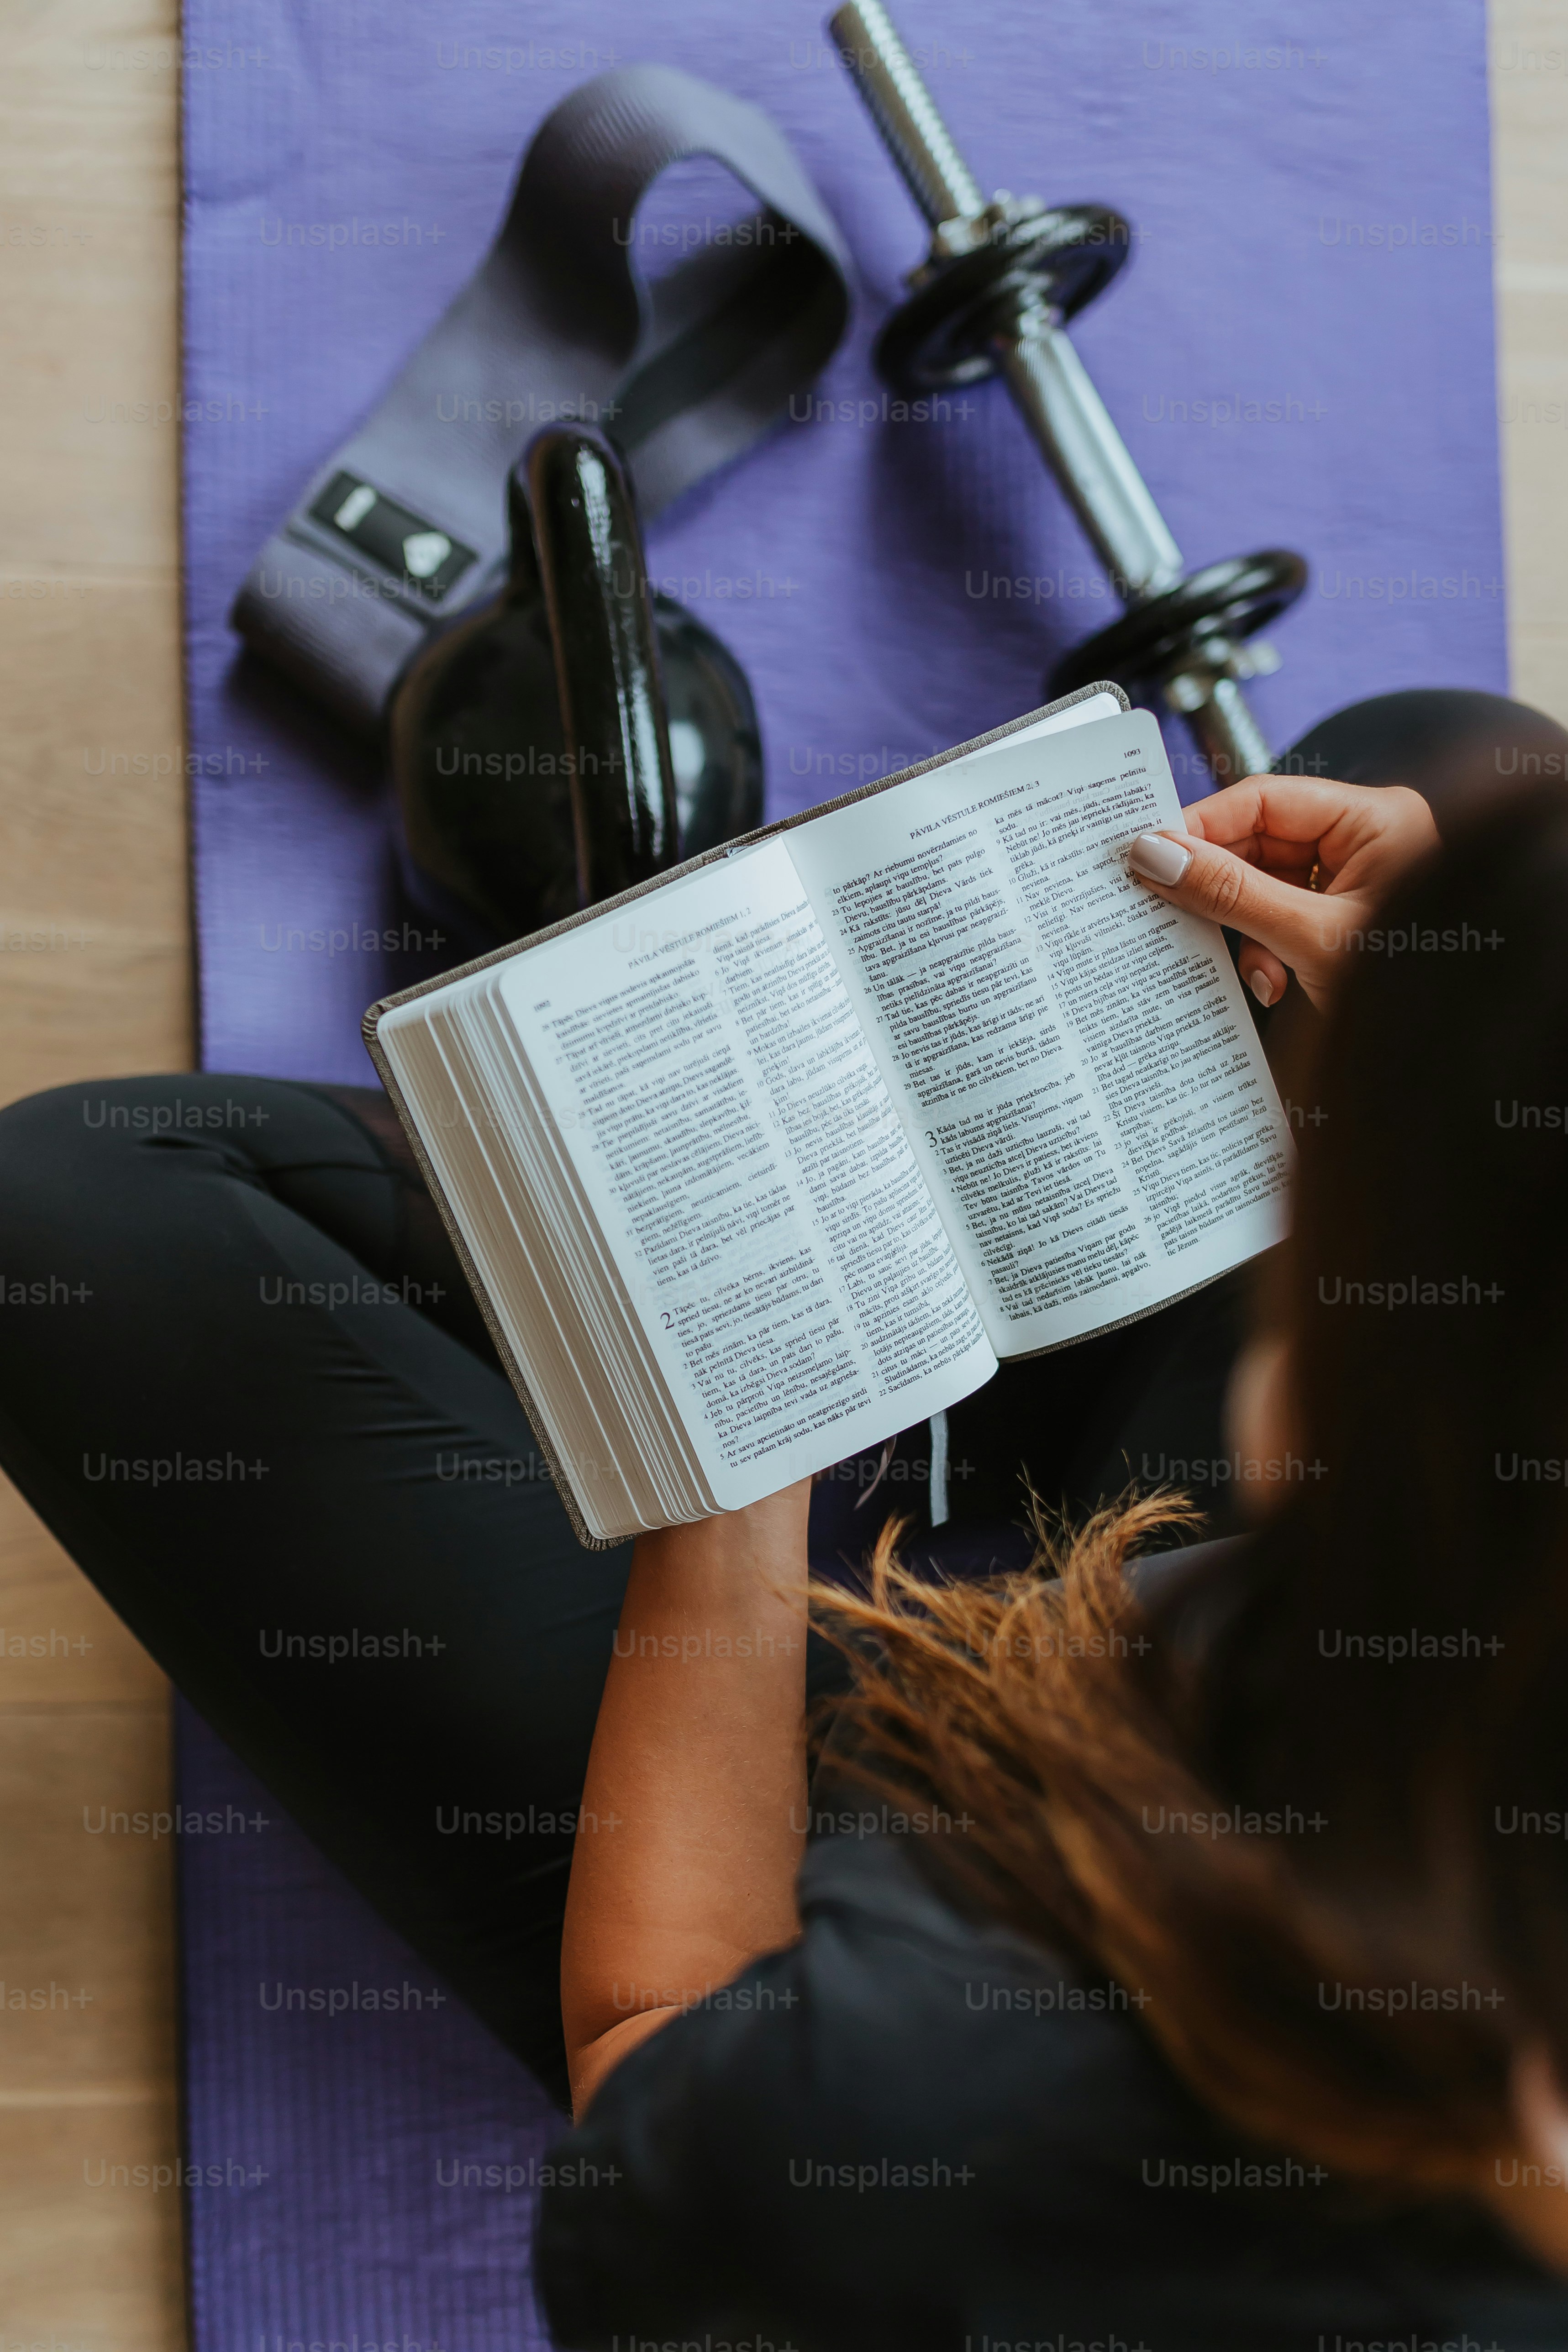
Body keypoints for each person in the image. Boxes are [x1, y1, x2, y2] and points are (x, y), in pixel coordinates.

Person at [0, 690, 1567, 2349]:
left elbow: (661, 2049)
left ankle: (855, 1322)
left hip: (898, 1873)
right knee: (1452, 807)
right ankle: (974, 1311)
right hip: (1254, 1650)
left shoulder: (969, 2107)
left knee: (71, 1221)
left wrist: (741, 1448)